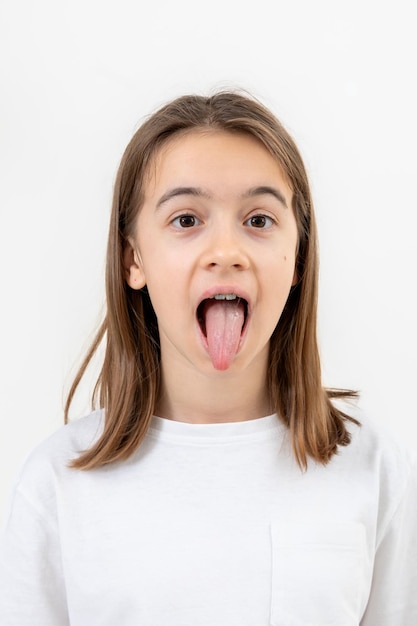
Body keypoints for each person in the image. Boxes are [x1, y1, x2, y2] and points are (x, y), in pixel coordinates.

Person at [0, 90, 416, 625]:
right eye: (186, 220)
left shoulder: (377, 470)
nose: (226, 251)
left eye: (259, 220)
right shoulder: (55, 483)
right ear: (134, 259)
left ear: (298, 260)